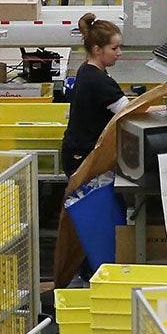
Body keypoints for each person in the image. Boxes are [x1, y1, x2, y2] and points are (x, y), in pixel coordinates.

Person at [54, 15, 128, 287]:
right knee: (90, 217)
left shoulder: (89, 71)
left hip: (78, 153)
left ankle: (90, 272)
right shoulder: (99, 82)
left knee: (89, 215)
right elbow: (129, 113)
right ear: (98, 50)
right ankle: (90, 275)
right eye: (114, 48)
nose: (119, 53)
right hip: (82, 158)